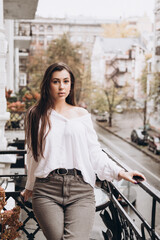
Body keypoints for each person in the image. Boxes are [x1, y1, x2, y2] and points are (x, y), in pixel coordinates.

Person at [21, 62, 145, 240]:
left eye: (66, 81)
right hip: (47, 189)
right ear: (48, 84)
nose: (61, 86)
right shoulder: (36, 115)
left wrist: (121, 172)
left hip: (81, 190)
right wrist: (29, 187)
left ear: (71, 85)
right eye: (56, 81)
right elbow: (33, 154)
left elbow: (95, 153)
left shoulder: (82, 115)